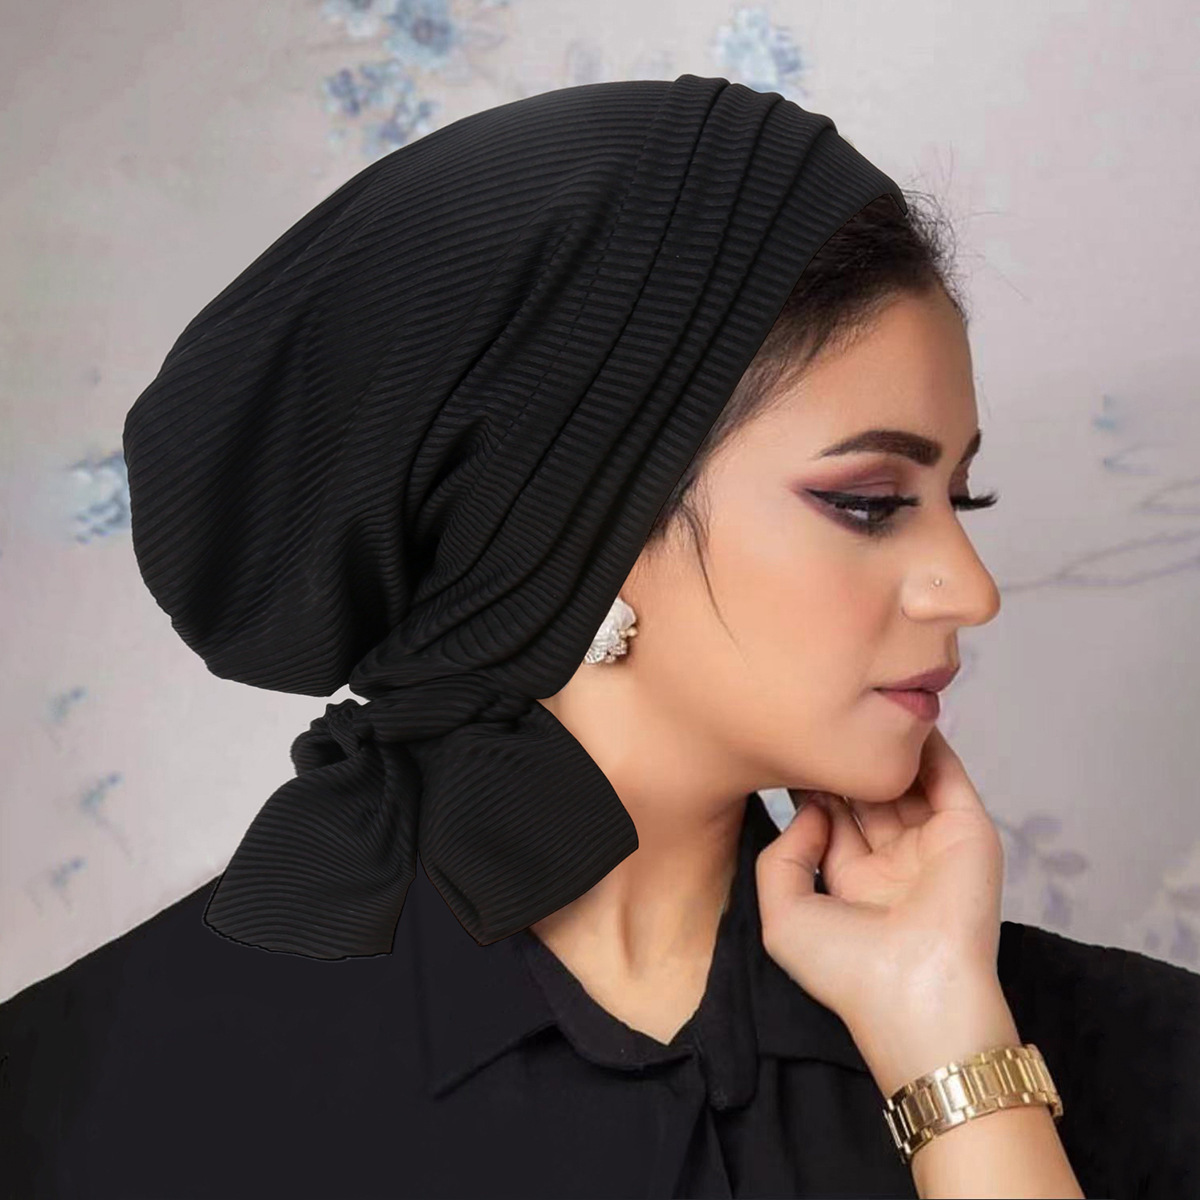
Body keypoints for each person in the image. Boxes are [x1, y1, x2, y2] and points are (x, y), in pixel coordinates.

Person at [2, 75, 1198, 1200]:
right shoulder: (93, 1102)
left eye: (960, 499)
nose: (971, 591)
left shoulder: (1119, 1063)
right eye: (872, 503)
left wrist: (949, 1046)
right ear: (574, 528)